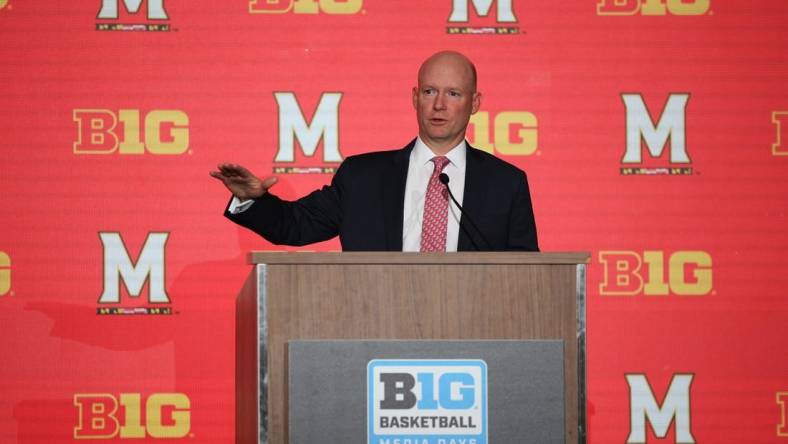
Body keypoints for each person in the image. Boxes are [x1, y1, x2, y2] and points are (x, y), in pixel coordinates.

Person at [210, 50, 539, 252]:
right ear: (414, 98)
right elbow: (296, 226)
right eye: (429, 91)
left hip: (475, 334)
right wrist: (251, 199)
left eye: (453, 93)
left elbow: (529, 275)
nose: (439, 104)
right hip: (379, 326)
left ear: (475, 104)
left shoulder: (506, 184)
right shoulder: (362, 177)